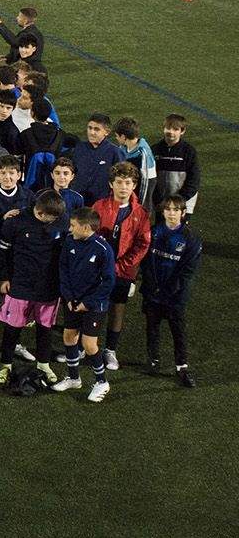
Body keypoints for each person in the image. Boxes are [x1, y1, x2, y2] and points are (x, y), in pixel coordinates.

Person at [0, 192, 65, 385]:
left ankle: (43, 364)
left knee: (45, 327)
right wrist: (3, 278)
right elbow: (3, 252)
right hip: (20, 284)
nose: (54, 221)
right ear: (40, 212)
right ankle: (5, 364)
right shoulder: (15, 222)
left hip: (49, 286)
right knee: (12, 327)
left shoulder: (61, 221)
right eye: (51, 218)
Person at [92, 161, 151, 371]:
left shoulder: (141, 213)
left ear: (134, 185)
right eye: (119, 182)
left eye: (128, 182)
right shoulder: (99, 206)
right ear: (111, 184)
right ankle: (87, 345)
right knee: (94, 306)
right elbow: (91, 235)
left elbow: (143, 243)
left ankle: (110, 350)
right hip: (98, 268)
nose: (123, 187)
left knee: (117, 309)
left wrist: (123, 265)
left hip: (124, 270)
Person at [53, 207, 116, 402]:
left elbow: (108, 282)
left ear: (86, 227)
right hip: (72, 301)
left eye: (73, 225)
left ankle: (102, 382)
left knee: (89, 345)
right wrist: (69, 297)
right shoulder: (70, 242)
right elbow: (63, 269)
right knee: (69, 336)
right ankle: (73, 378)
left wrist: (87, 303)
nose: (70, 229)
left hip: (94, 305)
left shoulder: (103, 249)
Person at [141, 196, 200, 387]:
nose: (172, 213)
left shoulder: (190, 238)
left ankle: (181, 366)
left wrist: (168, 289)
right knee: (152, 326)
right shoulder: (154, 232)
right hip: (153, 292)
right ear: (163, 212)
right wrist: (151, 284)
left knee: (178, 330)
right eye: (168, 209)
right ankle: (153, 359)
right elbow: (146, 262)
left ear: (183, 213)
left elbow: (187, 270)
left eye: (176, 210)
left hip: (175, 295)